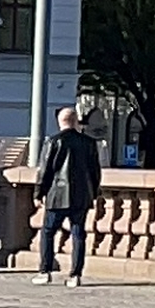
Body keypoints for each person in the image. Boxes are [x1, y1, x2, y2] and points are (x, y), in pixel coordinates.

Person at [35, 101, 102, 283]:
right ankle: (75, 274)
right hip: (81, 195)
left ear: (60, 122)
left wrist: (38, 193)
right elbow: (95, 171)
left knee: (48, 232)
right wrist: (93, 192)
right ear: (76, 122)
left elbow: (45, 170)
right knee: (78, 233)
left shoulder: (54, 141)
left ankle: (45, 271)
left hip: (57, 195)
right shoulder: (89, 143)